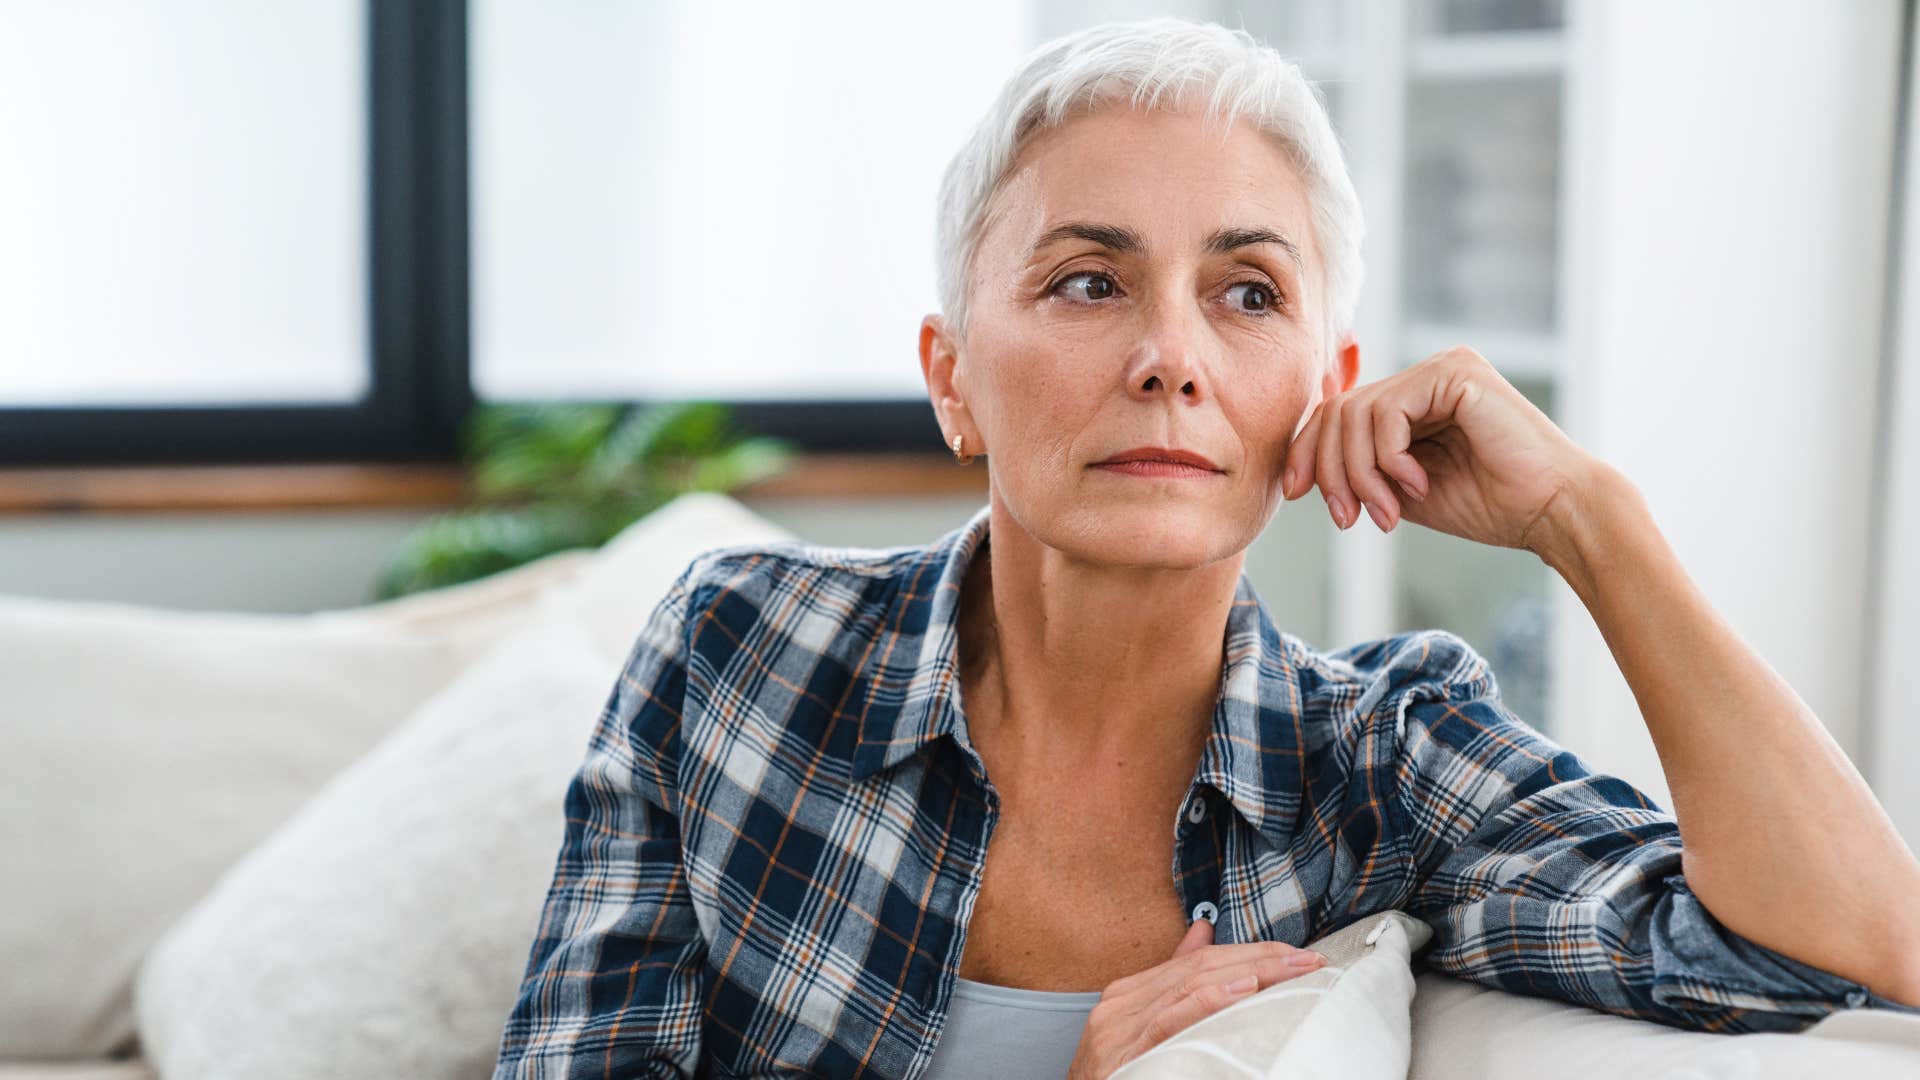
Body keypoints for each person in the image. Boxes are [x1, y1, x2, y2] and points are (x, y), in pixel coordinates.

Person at [492, 16, 1920, 1079]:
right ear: (951, 376)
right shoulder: (741, 654)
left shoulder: (1381, 760)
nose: (1172, 357)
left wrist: (1589, 522)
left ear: (1325, 381)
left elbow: (1844, 947)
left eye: (1246, 293)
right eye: (1089, 281)